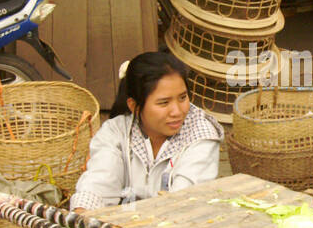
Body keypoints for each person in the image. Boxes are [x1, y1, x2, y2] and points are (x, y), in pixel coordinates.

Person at [69, 52, 223, 210]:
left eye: (182, 98)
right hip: (124, 226)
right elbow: (98, 183)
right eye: (164, 103)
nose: (177, 111)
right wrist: (82, 215)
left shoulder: (201, 135)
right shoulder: (116, 132)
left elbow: (183, 201)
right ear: (134, 106)